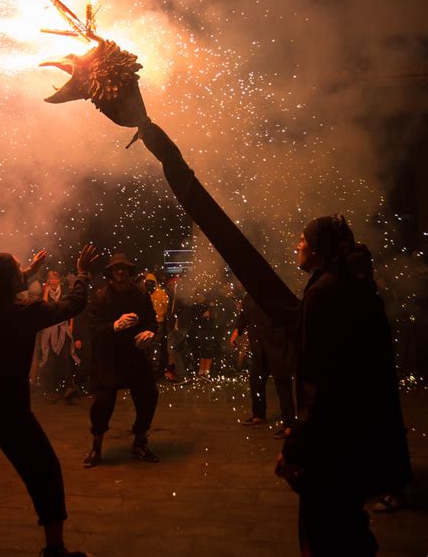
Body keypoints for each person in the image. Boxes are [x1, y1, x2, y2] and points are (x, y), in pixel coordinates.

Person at [133, 119, 411, 555]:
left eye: (303, 241)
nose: (296, 247)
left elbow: (320, 382)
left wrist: (297, 448)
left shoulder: (326, 294)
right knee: (348, 533)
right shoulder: (348, 289)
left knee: (325, 537)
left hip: (333, 447)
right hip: (353, 440)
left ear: (318, 250)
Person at [0, 244, 98, 557]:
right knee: (45, 472)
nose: (24, 271)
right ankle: (55, 549)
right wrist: (83, 274)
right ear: (11, 282)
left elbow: (3, 291)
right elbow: (73, 305)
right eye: (18, 269)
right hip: (9, 410)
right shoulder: (27, 311)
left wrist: (27, 273)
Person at [84, 252, 159, 468]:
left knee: (148, 395)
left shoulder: (140, 295)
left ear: (129, 272)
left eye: (123, 268)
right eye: (116, 269)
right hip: (108, 359)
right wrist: (114, 326)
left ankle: (140, 440)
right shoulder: (100, 297)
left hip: (134, 357)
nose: (120, 271)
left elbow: (151, 321)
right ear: (110, 273)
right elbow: (93, 329)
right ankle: (96, 446)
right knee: (102, 404)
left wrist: (150, 333)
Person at [231, 293, 296, 436]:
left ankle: (290, 425)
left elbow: (291, 318)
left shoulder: (277, 295)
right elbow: (244, 315)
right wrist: (237, 330)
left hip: (277, 348)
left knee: (283, 387)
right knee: (256, 382)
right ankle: (259, 415)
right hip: (260, 350)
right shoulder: (249, 296)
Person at [39, 271, 80, 403]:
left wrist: (71, 325)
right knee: (49, 361)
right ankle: (49, 391)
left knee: (66, 358)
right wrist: (45, 291)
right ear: (48, 280)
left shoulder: (65, 292)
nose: (54, 280)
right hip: (49, 330)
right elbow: (43, 308)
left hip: (63, 328)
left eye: (56, 278)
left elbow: (71, 309)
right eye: (51, 278)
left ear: (59, 280)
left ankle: (69, 388)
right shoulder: (44, 293)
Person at [144, 272, 169, 378]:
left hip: (158, 322)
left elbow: (166, 307)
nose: (149, 285)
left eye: (151, 283)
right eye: (147, 283)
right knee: (150, 346)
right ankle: (150, 368)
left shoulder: (161, 293)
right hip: (150, 323)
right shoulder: (146, 293)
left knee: (155, 346)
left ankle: (154, 369)